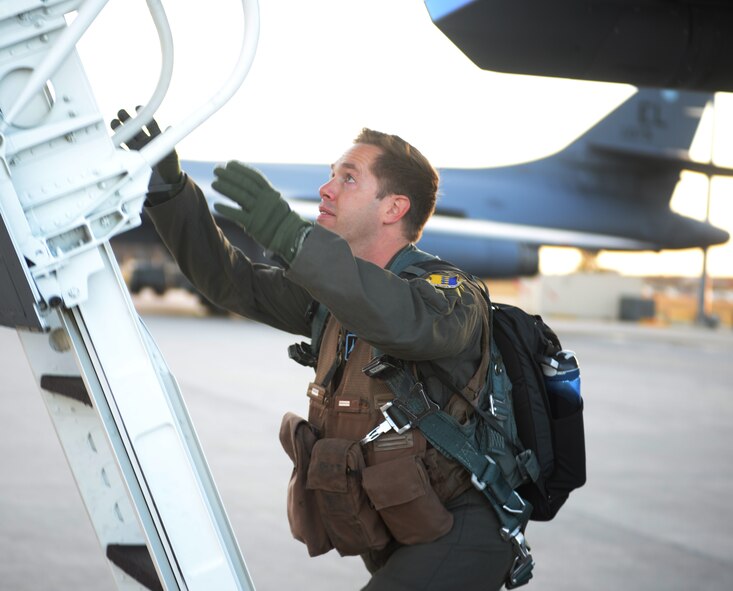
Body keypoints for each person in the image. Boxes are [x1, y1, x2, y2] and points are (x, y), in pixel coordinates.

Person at [112, 110, 514, 590]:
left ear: (393, 208)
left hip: (462, 530)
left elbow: (405, 323)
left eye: (348, 179)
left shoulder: (451, 294)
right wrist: (170, 191)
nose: (327, 190)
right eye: (330, 176)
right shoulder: (332, 298)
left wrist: (289, 235)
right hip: (404, 526)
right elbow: (230, 280)